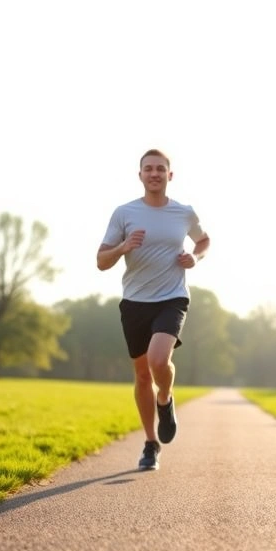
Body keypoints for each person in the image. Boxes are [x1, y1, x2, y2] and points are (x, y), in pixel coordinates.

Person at [97, 149, 210, 471]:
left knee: (159, 359)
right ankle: (150, 444)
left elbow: (204, 241)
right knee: (142, 373)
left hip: (172, 297)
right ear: (140, 175)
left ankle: (166, 399)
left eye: (161, 169)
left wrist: (195, 257)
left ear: (169, 175)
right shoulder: (124, 213)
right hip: (134, 302)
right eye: (149, 169)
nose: (155, 173)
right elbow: (101, 261)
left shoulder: (184, 213)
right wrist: (122, 247)